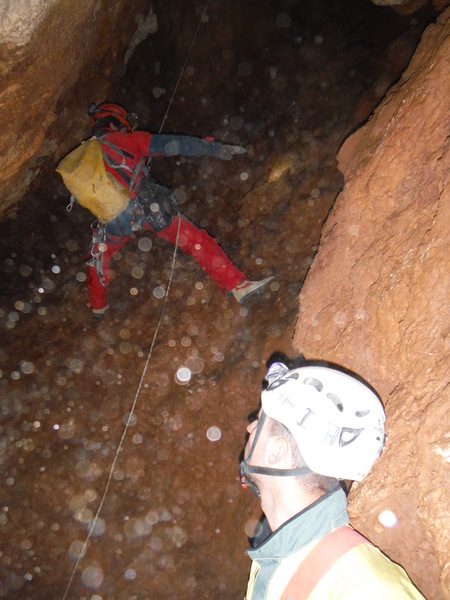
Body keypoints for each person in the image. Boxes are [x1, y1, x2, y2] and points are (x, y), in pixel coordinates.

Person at [239, 360, 425, 599]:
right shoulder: (273, 557)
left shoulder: (370, 588)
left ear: (277, 452)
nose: (250, 427)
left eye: (260, 421)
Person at [79, 102, 275, 318]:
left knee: (97, 257)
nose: (128, 129)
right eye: (125, 125)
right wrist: (214, 148)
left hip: (112, 220)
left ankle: (98, 307)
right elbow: (174, 144)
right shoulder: (127, 140)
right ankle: (237, 285)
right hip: (145, 209)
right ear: (115, 123)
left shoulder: (84, 156)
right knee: (196, 241)